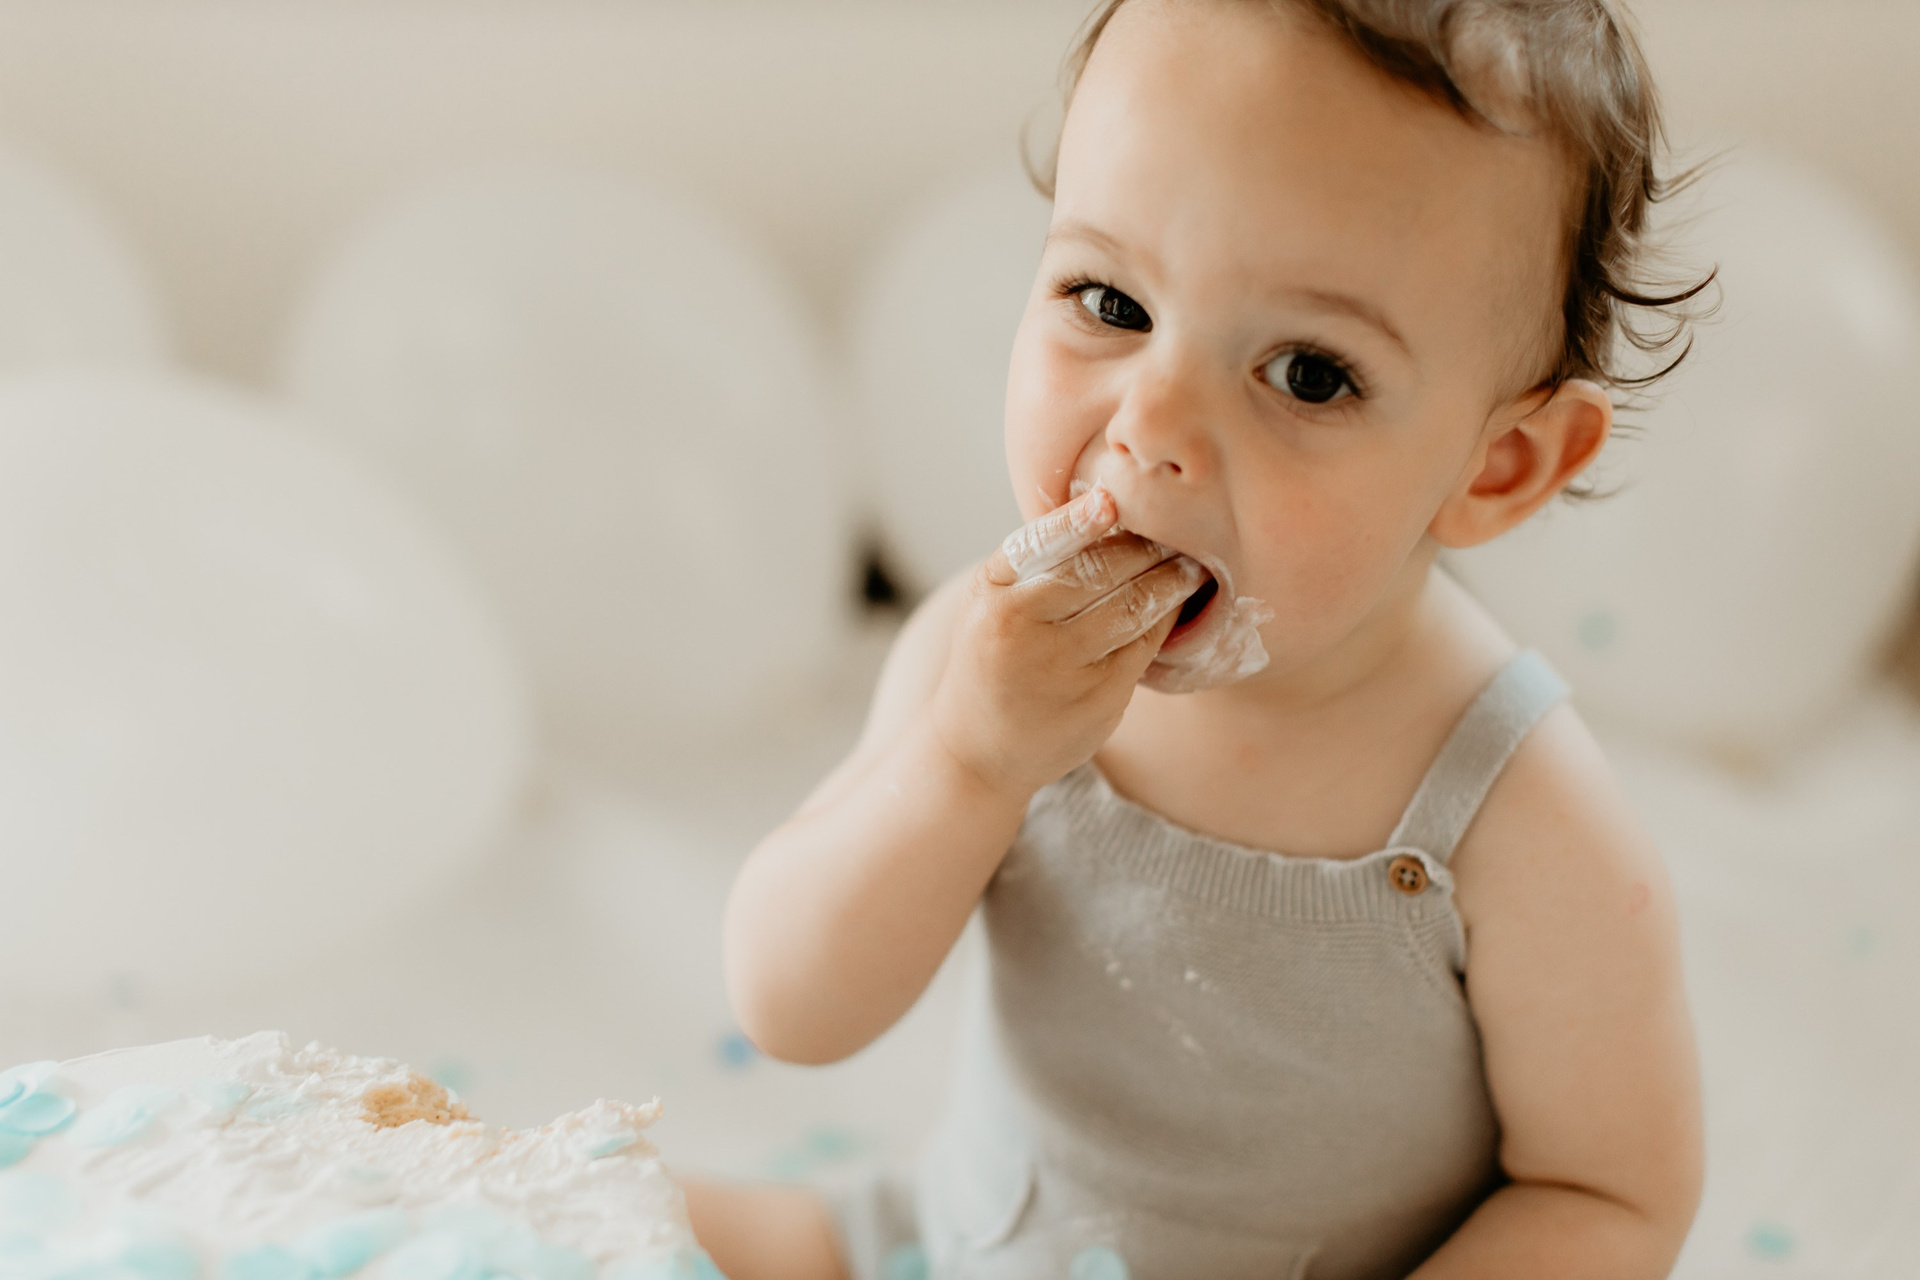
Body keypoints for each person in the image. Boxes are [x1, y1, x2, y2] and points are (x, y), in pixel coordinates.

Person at [693, 1, 1706, 1275]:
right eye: (1110, 300)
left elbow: (1610, 1192)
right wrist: (968, 762)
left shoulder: (1513, 811)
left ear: (1497, 464)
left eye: (1309, 374)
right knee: (577, 1216)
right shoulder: (983, 665)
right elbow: (790, 1007)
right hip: (940, 1246)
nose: (1152, 425)